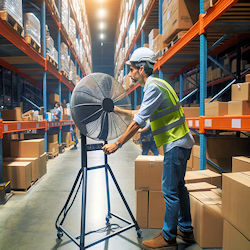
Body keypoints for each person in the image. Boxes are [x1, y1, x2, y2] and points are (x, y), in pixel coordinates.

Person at [102, 47, 195, 249]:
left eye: (132, 69)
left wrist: (117, 144)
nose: (129, 73)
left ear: (141, 69)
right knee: (179, 187)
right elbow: (147, 114)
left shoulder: (152, 87)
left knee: (169, 191)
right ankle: (186, 229)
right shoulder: (159, 84)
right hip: (182, 141)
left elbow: (137, 121)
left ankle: (168, 237)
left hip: (175, 143)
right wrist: (117, 109)